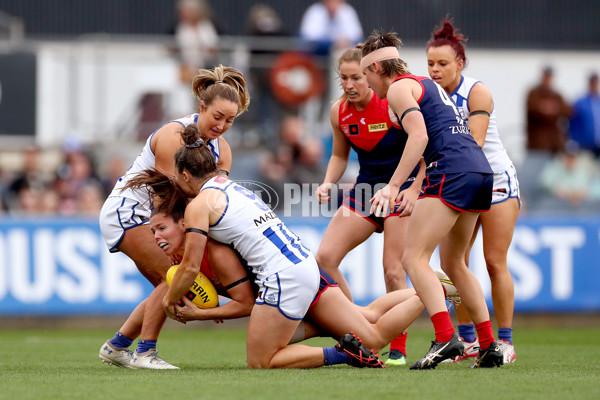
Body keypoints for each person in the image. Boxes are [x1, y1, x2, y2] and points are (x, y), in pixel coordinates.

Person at [129, 123, 462, 369]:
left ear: (186, 176)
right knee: (370, 332)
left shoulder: (199, 206)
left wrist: (172, 302)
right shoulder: (232, 187)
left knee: (261, 361)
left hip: (282, 277)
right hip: (303, 264)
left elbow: (188, 267)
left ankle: (343, 353)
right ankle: (432, 290)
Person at [363, 31, 503, 369]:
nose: (368, 86)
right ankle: (488, 346)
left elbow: (420, 136)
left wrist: (394, 186)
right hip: (479, 170)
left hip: (451, 170)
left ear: (378, 67)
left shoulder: (398, 88)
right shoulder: (426, 84)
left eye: (366, 75)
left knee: (414, 259)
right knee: (455, 264)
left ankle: (445, 338)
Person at [98, 65, 250, 370]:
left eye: (230, 121)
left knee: (170, 281)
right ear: (202, 107)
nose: (222, 126)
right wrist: (189, 260)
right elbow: (166, 201)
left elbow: (212, 201)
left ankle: (117, 347)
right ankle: (145, 353)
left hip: (166, 216)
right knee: (176, 275)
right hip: (132, 212)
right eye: (217, 117)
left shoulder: (224, 152)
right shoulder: (173, 135)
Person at [314, 46, 425, 366]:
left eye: (357, 77)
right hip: (365, 191)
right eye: (344, 78)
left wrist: (414, 189)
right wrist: (327, 182)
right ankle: (356, 328)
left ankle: (397, 347)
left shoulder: (392, 103)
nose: (350, 85)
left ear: (371, 75)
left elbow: (422, 149)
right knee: (325, 258)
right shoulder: (339, 112)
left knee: (394, 269)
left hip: (399, 188)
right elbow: (338, 155)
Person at [426, 18, 520, 364]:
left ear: (460, 64)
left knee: (495, 261)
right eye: (430, 64)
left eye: (443, 64)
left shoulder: (476, 92)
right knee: (454, 264)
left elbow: (475, 145)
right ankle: (468, 341)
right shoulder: (428, 94)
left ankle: (505, 342)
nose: (435, 71)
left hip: (492, 180)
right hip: (460, 178)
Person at [521, 66, 571, 208]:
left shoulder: (555, 94)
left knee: (551, 184)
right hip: (537, 148)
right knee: (533, 181)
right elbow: (533, 108)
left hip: (554, 149)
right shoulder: (534, 92)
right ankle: (530, 207)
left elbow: (567, 109)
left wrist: (550, 108)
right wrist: (547, 108)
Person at [173, 0, 219, 83]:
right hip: (187, 66)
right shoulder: (180, 28)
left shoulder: (206, 26)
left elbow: (213, 44)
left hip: (208, 65)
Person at [298, 0, 363, 57]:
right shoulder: (315, 11)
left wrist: (344, 42)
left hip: (341, 52)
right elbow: (307, 37)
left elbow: (357, 37)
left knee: (341, 53)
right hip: (315, 54)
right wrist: (332, 43)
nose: (333, 4)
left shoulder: (347, 11)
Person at [569, 72, 600, 156]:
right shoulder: (580, 103)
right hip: (585, 146)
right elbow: (572, 123)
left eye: (595, 82)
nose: (594, 85)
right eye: (592, 82)